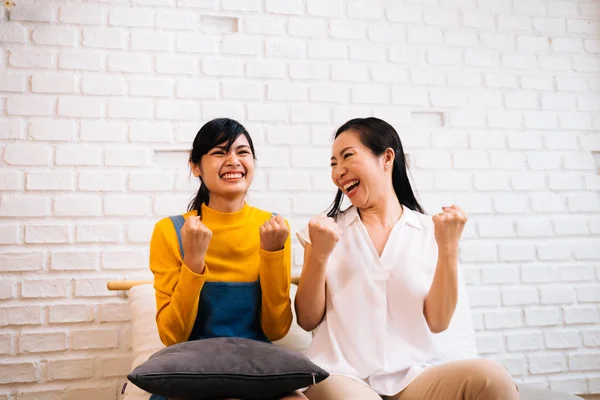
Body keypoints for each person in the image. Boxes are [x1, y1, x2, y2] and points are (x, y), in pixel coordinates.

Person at [294, 117, 520, 400]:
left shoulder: (430, 231)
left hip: (413, 378)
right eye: (332, 163)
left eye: (347, 156)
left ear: (386, 157)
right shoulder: (324, 230)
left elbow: (438, 321)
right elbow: (306, 318)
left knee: (492, 378)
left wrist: (448, 247)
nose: (339, 171)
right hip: (342, 375)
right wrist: (319, 254)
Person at [149, 118, 306, 400]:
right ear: (195, 166)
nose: (233, 160)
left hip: (256, 368)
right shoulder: (171, 231)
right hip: (191, 370)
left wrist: (271, 254)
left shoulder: (273, 227)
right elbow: (173, 337)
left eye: (242, 152)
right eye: (219, 153)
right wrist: (194, 259)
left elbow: (277, 329)